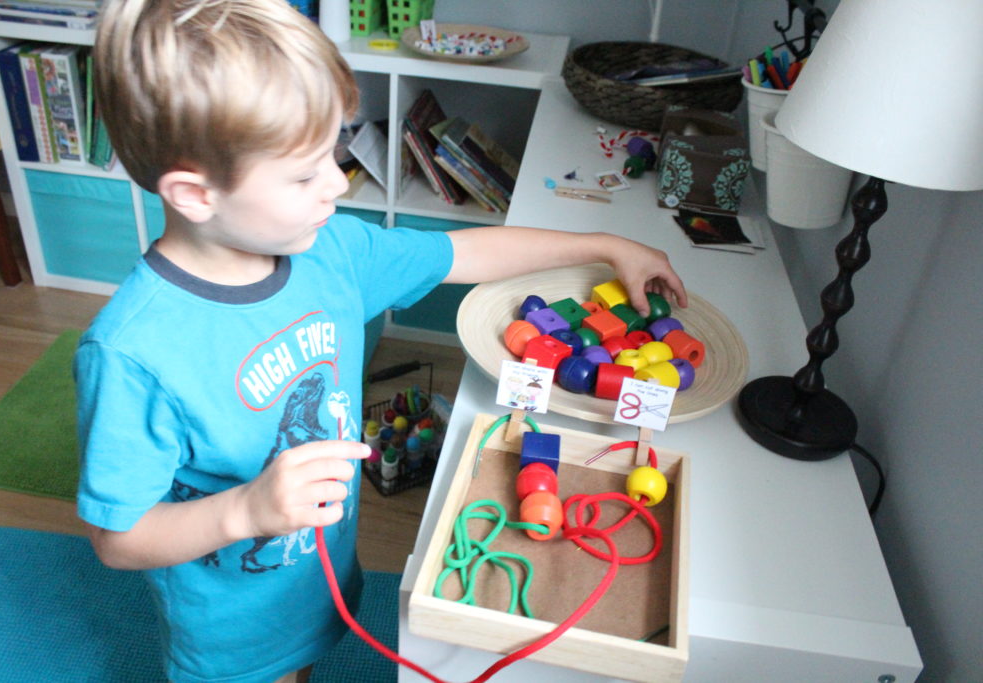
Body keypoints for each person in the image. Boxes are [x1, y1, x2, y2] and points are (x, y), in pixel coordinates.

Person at [75, 1, 688, 681]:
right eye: (304, 173)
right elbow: (116, 537)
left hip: (318, 581)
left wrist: (605, 245)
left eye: (332, 153)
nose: (338, 183)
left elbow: (461, 253)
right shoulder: (132, 353)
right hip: (230, 635)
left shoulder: (330, 248)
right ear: (195, 193)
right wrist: (245, 509)